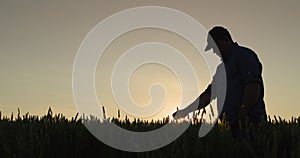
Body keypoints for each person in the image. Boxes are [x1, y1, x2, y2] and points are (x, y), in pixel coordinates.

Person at [173, 26, 267, 139]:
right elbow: (208, 95)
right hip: (229, 128)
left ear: (226, 41)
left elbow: (253, 86)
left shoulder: (245, 56)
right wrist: (185, 111)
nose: (214, 51)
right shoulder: (221, 69)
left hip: (250, 125)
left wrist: (242, 114)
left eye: (216, 47)